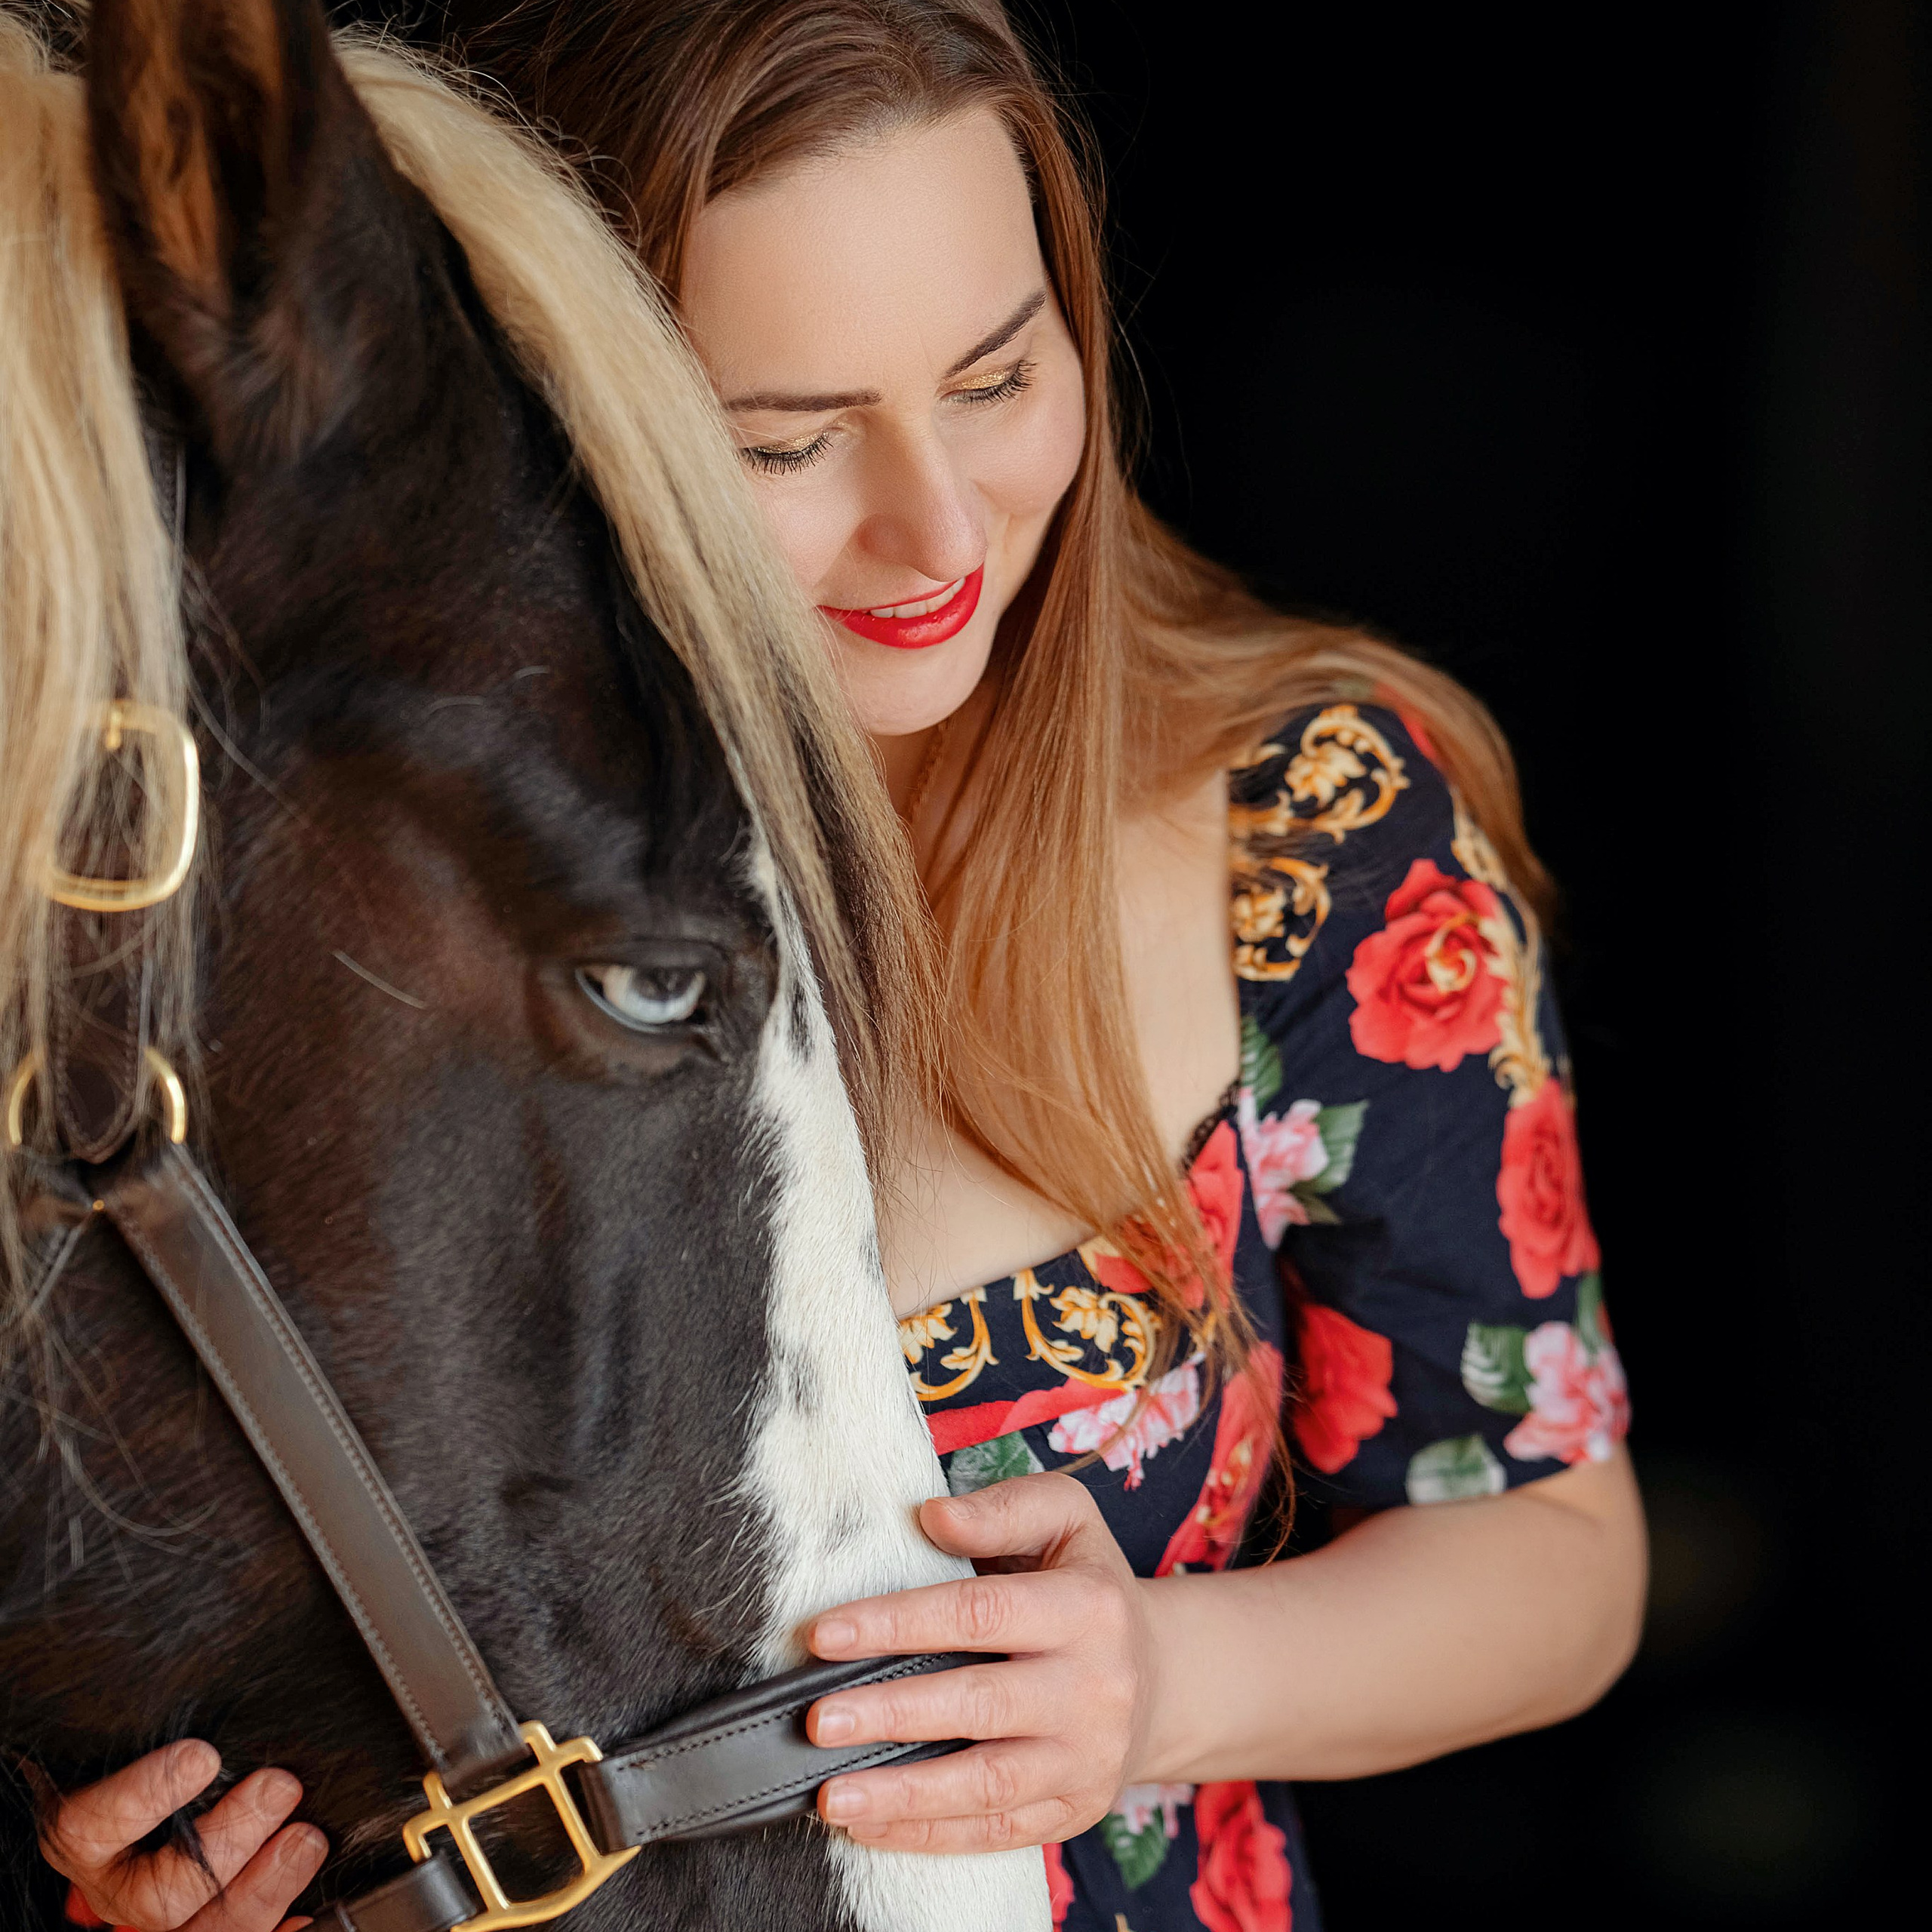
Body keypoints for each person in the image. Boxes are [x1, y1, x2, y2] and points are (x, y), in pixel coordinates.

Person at [42, 5, 1646, 1928]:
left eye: (995, 374)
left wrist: (1159, 1683)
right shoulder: (358, 914)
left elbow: (1555, 1552)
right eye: (782, 441)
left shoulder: (1303, 822)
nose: (939, 528)